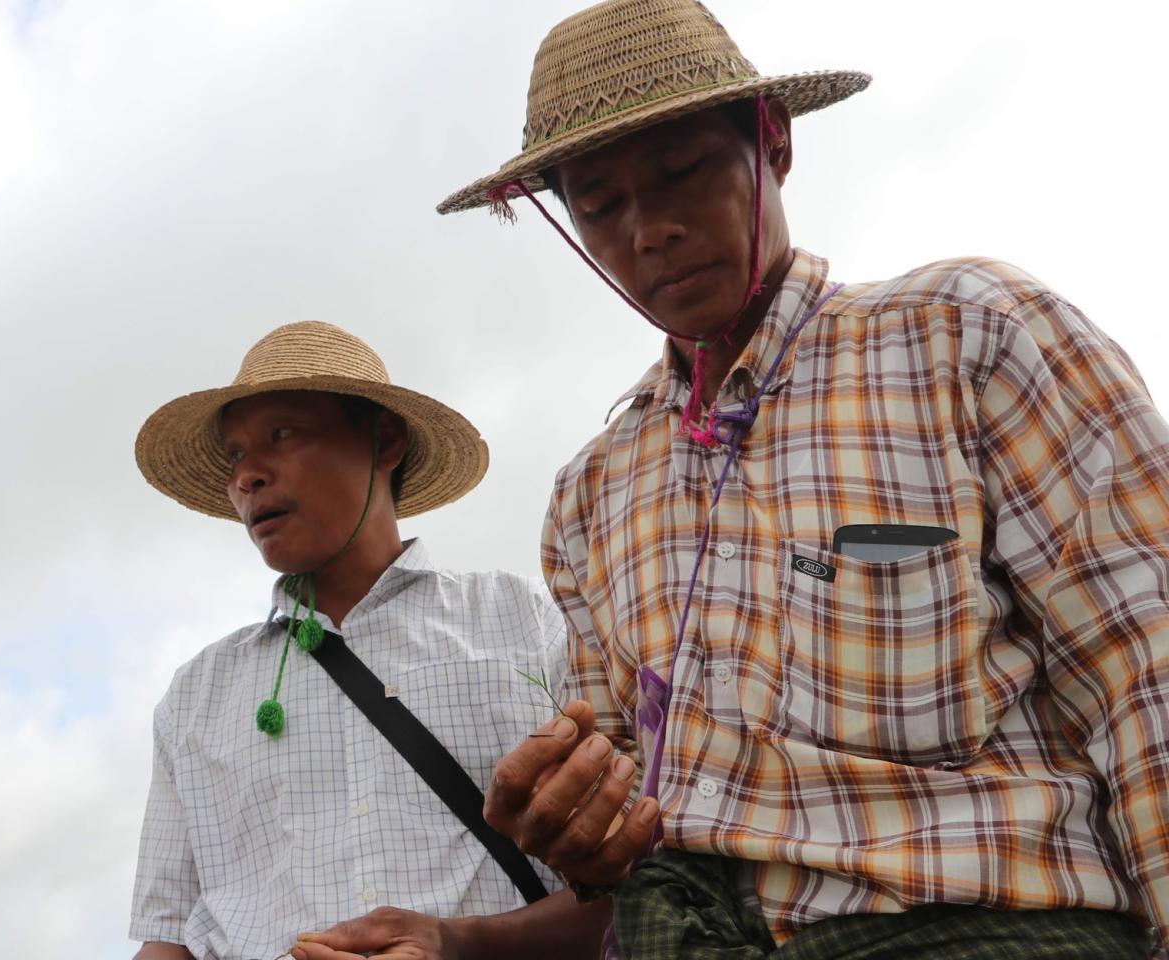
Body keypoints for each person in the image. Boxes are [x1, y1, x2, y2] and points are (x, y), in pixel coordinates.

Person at [436, 1, 1169, 957]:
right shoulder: (589, 495)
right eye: (600, 206)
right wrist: (583, 826)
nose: (649, 230)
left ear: (773, 143)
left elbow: (1142, 664)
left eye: (682, 170)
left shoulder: (965, 335)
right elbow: (620, 799)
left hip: (979, 926)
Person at [128, 321, 607, 960]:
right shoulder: (196, 697)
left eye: (283, 434)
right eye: (235, 455)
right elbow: (168, 939)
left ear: (386, 440)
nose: (248, 476)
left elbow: (627, 887)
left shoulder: (525, 622)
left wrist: (460, 944)